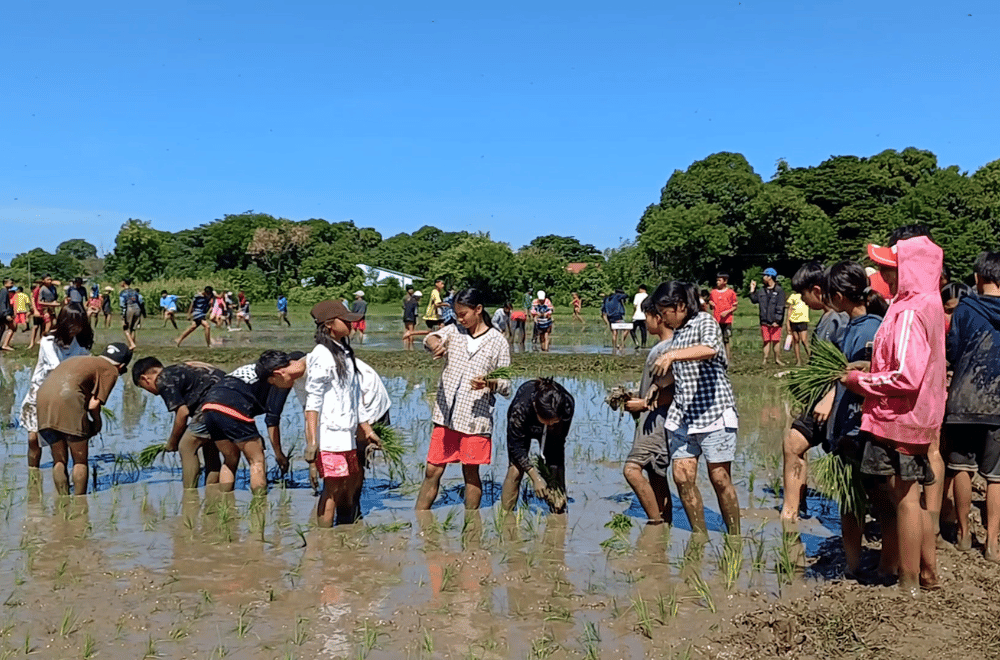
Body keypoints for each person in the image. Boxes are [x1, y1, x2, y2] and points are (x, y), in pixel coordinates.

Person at [842, 235, 946, 595]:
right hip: (917, 415)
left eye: (890, 268)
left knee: (904, 499)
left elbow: (906, 375)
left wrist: (860, 381)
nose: (885, 275)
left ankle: (909, 580)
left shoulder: (908, 312)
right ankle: (927, 573)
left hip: (899, 416)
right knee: (910, 496)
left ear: (910, 270)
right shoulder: (928, 303)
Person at [653, 282, 740, 536]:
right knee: (681, 476)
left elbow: (710, 349)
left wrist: (671, 356)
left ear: (680, 306)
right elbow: (680, 373)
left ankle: (734, 536)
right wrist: (657, 385)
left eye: (664, 311)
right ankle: (699, 535)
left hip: (714, 411)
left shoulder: (704, 321)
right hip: (683, 414)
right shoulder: (677, 333)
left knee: (720, 478)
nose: (662, 318)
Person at [415, 288, 512, 511]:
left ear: (478, 310)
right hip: (446, 415)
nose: (460, 318)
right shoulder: (455, 331)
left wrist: (489, 382)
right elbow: (433, 337)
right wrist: (434, 345)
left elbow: (506, 385)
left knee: (470, 471)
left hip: (475, 418)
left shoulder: (497, 341)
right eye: (457, 314)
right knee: (432, 470)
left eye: (463, 314)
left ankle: (472, 525)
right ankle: (420, 518)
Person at [821, 261, 887, 576]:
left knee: (874, 498)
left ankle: (886, 563)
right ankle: (853, 565)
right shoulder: (851, 325)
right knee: (850, 499)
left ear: (839, 296)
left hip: (860, 426)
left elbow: (874, 378)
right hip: (847, 425)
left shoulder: (870, 329)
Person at [779, 262, 851, 523]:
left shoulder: (835, 319)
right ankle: (797, 504)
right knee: (794, 444)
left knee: (793, 444)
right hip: (821, 397)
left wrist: (827, 395)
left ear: (817, 290)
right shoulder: (829, 318)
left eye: (804, 294)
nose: (802, 300)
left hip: (832, 399)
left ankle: (790, 511)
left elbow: (840, 365)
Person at [941, 251, 1000, 559]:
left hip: (964, 399)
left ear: (978, 279)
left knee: (962, 468)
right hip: (999, 402)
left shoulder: (964, 309)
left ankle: (963, 535)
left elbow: (952, 350)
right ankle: (992, 543)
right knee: (996, 476)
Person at [303, 300, 381, 525]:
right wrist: (312, 442)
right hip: (330, 436)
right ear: (329, 325)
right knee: (333, 488)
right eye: (345, 321)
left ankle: (339, 537)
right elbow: (313, 401)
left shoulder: (344, 351)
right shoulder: (322, 354)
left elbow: (354, 396)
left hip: (346, 435)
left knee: (346, 484)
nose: (351, 324)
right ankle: (325, 542)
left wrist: (366, 428)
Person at [200, 350, 304, 493]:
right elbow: (272, 419)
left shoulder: (258, 368)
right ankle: (259, 507)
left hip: (209, 407)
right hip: (232, 406)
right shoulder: (275, 379)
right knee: (257, 461)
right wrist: (278, 454)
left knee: (230, 459)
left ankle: (225, 500)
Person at [35, 343, 132, 495]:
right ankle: (80, 502)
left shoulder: (84, 359)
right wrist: (97, 423)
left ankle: (63, 500)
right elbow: (94, 405)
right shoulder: (111, 370)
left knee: (59, 459)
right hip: (68, 399)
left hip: (42, 399)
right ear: (121, 366)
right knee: (80, 460)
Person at [19, 305, 94, 473]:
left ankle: (60, 468)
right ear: (63, 322)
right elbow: (58, 367)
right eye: (72, 324)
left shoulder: (80, 345)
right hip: (41, 393)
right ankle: (33, 473)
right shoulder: (48, 341)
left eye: (80, 324)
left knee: (60, 441)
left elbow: (87, 366)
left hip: (65, 396)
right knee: (33, 438)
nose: (76, 328)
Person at [622, 291, 676, 525]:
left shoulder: (668, 350)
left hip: (657, 421)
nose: (645, 321)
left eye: (647, 316)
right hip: (653, 419)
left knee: (632, 470)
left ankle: (655, 524)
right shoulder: (662, 347)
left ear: (659, 317)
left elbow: (673, 391)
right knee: (657, 474)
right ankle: (666, 523)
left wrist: (642, 404)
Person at [132, 357, 226, 489]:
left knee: (186, 446)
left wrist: (173, 442)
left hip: (214, 402)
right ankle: (212, 490)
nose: (152, 393)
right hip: (231, 396)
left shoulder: (163, 379)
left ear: (145, 379)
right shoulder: (180, 369)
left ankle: (189, 493)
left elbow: (182, 413)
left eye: (145, 388)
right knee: (209, 445)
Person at [501, 378, 575, 513]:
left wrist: (556, 484)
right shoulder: (520, 409)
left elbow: (558, 446)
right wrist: (536, 477)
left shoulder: (567, 406)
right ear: (535, 408)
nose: (551, 425)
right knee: (515, 469)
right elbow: (516, 448)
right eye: (547, 421)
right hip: (525, 424)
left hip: (552, 432)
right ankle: (506, 516)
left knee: (554, 465)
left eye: (554, 422)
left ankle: (558, 511)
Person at [749, 268, 786, 366]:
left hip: (775, 321)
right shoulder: (762, 290)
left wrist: (777, 320)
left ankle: (777, 359)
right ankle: (765, 360)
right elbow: (754, 300)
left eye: (764, 275)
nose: (763, 277)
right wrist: (752, 289)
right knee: (766, 341)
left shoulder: (779, 291)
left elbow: (781, 307)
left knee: (776, 341)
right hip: (764, 320)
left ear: (770, 277)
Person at [709, 275, 738, 357]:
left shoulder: (731, 293)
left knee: (726, 340)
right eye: (717, 280)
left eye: (719, 280)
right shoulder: (713, 292)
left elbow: (735, 306)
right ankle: (718, 356)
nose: (717, 282)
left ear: (725, 281)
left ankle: (727, 357)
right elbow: (711, 303)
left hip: (727, 320)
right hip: (716, 320)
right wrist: (711, 304)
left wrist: (727, 312)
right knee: (717, 339)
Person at [785, 288, 812, 366]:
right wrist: (788, 322)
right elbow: (790, 309)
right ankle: (798, 360)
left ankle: (811, 358)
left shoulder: (806, 296)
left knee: (804, 340)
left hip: (802, 320)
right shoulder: (793, 296)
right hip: (794, 321)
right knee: (796, 340)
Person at [118, 278, 142, 350]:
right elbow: (140, 301)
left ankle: (131, 344)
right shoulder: (135, 292)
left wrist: (123, 315)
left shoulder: (123, 293)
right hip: (137, 308)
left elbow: (122, 304)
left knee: (126, 328)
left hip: (129, 308)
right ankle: (132, 345)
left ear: (124, 283)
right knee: (133, 329)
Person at [606, 288, 629, 352]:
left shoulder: (608, 298)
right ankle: (620, 344)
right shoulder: (617, 296)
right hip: (618, 316)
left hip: (610, 317)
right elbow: (626, 295)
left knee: (614, 332)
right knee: (627, 329)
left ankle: (614, 346)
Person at [630, 285, 649, 349]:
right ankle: (643, 344)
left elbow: (635, 305)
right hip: (644, 316)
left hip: (637, 316)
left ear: (642, 289)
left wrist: (633, 312)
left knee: (632, 330)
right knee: (643, 330)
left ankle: (636, 342)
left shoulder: (637, 295)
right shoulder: (647, 296)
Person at [0, 278, 14, 352]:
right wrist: (6, 314)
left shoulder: (5, 291)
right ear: (6, 283)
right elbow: (3, 303)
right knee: (12, 327)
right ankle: (5, 345)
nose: (12, 284)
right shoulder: (4, 291)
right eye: (11, 283)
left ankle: (3, 344)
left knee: (2, 327)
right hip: (3, 313)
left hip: (2, 313)